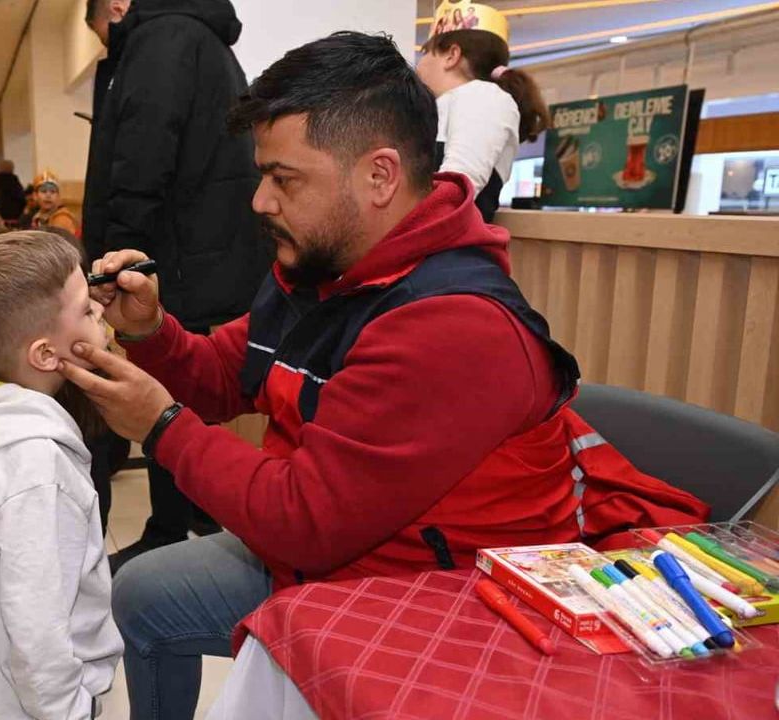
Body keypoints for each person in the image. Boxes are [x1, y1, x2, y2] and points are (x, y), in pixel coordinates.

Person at [55, 31, 592, 719]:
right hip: (340, 554)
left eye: (285, 179)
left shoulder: (451, 328)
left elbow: (302, 520)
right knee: (142, 593)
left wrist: (161, 427)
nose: (260, 202)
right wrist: (150, 330)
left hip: (442, 603)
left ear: (379, 176)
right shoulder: (325, 267)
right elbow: (227, 374)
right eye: (262, 175)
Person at [81, 0, 269, 572]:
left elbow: (143, 151)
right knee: (194, 375)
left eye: (106, 32)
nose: (111, 43)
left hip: (171, 251)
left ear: (117, 5)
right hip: (212, 246)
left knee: (167, 376)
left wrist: (121, 256)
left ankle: (168, 529)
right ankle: (199, 510)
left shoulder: (160, 37)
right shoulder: (207, 38)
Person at [0, 231, 123, 719]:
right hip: (34, 707)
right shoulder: (36, 466)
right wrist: (70, 710)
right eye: (85, 308)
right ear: (45, 355)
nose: (100, 310)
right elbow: (36, 629)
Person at [416, 29, 551, 222]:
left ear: (452, 55)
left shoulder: (482, 96)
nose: (418, 65)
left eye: (425, 53)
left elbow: (457, 186)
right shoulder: (443, 106)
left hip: (441, 246)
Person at [30, 170, 80, 235]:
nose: (48, 195)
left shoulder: (62, 218)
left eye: (53, 192)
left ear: (58, 196)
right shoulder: (37, 217)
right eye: (44, 191)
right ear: (35, 196)